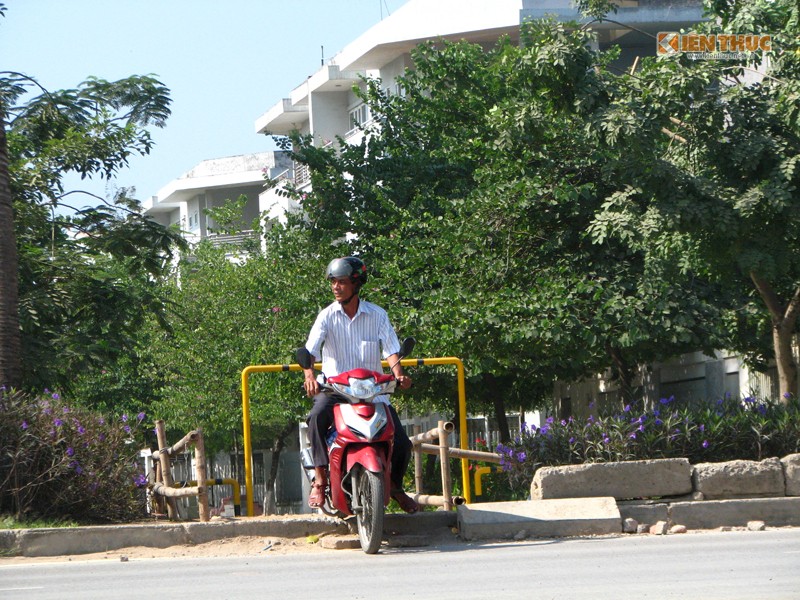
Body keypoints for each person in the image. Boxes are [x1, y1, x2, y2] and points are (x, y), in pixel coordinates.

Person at [302, 256, 419, 514]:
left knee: (401, 442)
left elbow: (391, 350)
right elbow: (310, 350)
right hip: (336, 390)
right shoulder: (326, 316)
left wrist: (398, 374)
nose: (335, 287)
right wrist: (309, 375)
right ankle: (320, 478)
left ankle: (395, 487)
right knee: (316, 418)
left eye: (341, 282)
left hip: (372, 391)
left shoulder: (377, 315)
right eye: (333, 282)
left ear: (356, 284)